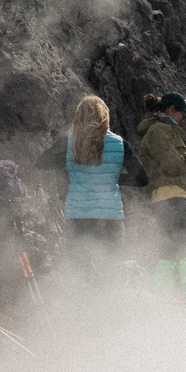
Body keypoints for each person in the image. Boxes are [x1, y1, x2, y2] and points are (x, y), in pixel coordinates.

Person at [134, 92, 186, 298]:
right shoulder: (158, 131)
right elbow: (173, 165)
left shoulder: (167, 131)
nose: (185, 119)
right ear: (171, 110)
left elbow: (180, 166)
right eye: (183, 114)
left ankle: (163, 299)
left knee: (169, 253)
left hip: (170, 198)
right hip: (169, 199)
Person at [60, 94, 126, 275]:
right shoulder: (119, 143)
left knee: (75, 272)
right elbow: (142, 178)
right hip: (110, 218)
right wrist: (112, 178)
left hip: (77, 217)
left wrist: (70, 173)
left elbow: (41, 162)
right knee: (110, 273)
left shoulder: (68, 142)